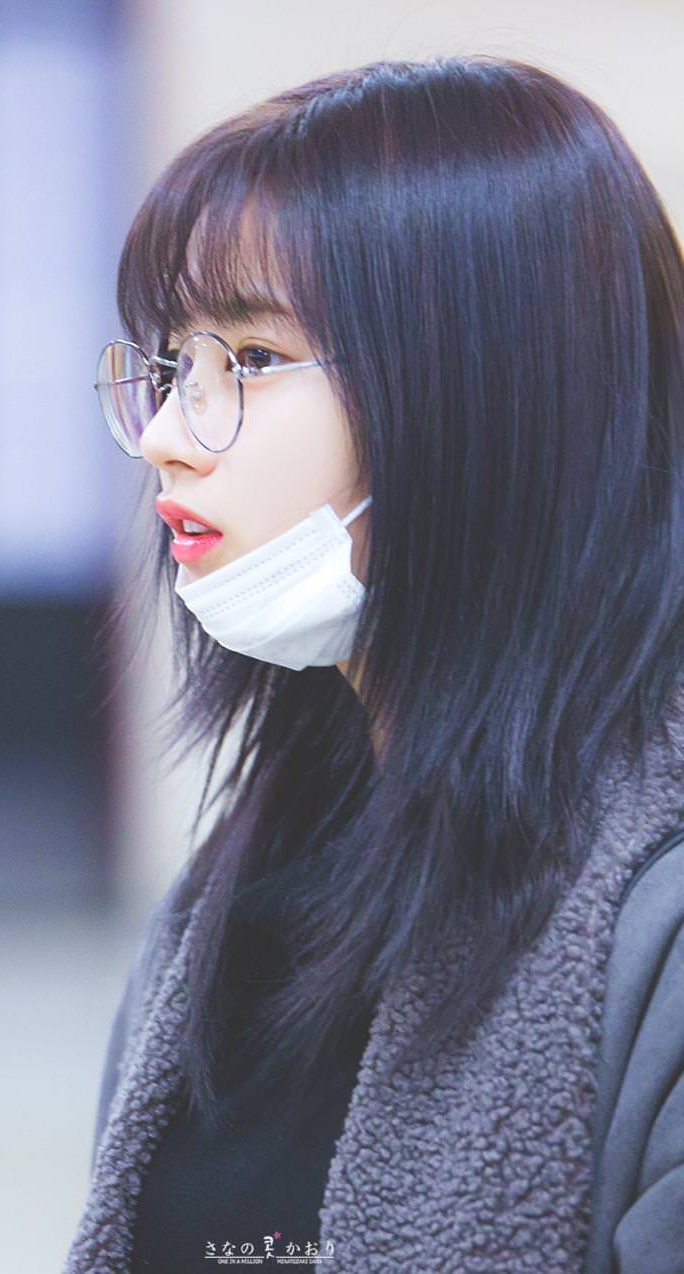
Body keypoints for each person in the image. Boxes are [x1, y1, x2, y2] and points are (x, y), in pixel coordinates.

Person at [65, 56, 684, 1273]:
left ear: (486, 387)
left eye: (249, 358)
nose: (166, 436)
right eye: (173, 362)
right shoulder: (245, 879)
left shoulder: (649, 908)